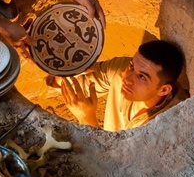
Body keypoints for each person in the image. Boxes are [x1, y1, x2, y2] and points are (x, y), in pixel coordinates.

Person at [54, 40, 186, 131]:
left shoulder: (172, 123)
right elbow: (69, 82)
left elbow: (111, 165)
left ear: (164, 90)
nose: (127, 78)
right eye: (132, 66)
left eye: (142, 77)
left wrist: (86, 118)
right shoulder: (121, 70)